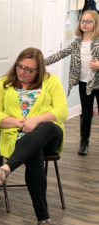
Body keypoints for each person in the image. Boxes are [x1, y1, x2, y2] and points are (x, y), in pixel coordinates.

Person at [0, 47, 68, 225]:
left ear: (39, 71)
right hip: (18, 137)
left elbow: (62, 112)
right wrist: (20, 123)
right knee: (33, 151)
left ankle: (6, 169)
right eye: (19, 67)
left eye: (28, 70)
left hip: (50, 136)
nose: (22, 72)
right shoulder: (3, 84)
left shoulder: (51, 82)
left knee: (44, 128)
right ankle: (43, 218)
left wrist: (36, 120)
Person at [45, 10, 99, 156]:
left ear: (95, 23)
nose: (85, 24)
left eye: (89, 21)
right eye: (82, 21)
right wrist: (40, 62)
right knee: (86, 113)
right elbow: (60, 54)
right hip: (84, 83)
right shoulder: (77, 43)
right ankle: (84, 143)